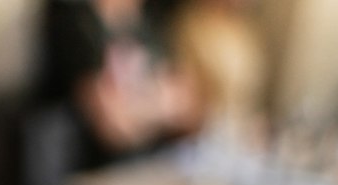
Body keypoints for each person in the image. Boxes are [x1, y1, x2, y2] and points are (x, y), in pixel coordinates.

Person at [44, 0, 201, 164]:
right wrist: (158, 109)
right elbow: (112, 127)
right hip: (95, 171)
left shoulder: (154, 17)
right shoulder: (76, 18)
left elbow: (188, 111)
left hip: (154, 165)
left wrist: (134, 110)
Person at [169, 0, 268, 144]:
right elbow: (184, 103)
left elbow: (247, 91)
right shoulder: (190, 27)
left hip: (240, 136)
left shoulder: (243, 30)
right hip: (203, 139)